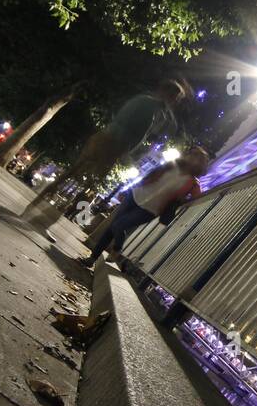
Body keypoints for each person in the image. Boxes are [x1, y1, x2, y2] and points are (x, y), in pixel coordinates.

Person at [27, 77, 192, 210]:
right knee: (87, 183)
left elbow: (132, 126)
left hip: (109, 141)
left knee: (77, 175)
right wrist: (124, 152)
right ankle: (47, 212)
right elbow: (134, 130)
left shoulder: (152, 107)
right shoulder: (150, 106)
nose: (175, 102)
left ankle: (40, 207)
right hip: (111, 143)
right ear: (166, 93)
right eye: (175, 97)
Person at [82, 146, 209, 266]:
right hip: (135, 196)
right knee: (111, 229)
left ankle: (117, 248)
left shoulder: (193, 184)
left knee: (118, 225)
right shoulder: (172, 165)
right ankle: (92, 258)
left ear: (200, 165)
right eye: (191, 154)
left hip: (150, 210)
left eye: (196, 157)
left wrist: (181, 200)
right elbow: (147, 177)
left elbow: (196, 200)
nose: (191, 157)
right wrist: (128, 191)